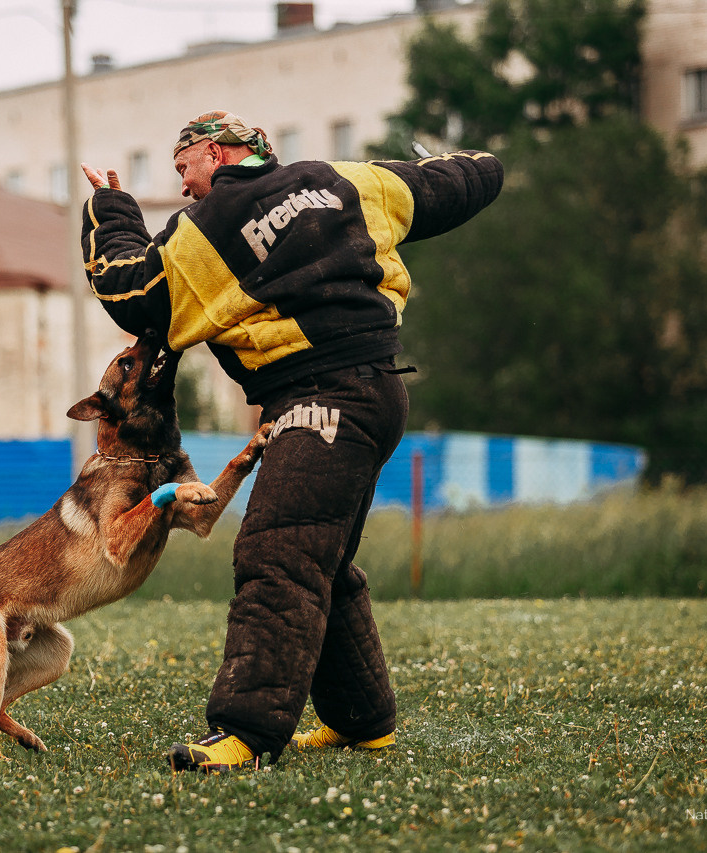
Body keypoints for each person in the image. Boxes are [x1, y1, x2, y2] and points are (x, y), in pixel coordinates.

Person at [80, 110, 503, 772]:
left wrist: (110, 210)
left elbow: (129, 288)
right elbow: (447, 186)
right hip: (378, 388)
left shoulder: (208, 226)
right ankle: (362, 722)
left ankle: (247, 729)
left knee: (278, 548)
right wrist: (478, 163)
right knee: (319, 559)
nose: (183, 185)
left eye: (183, 167)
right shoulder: (342, 179)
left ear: (215, 154)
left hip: (320, 398)